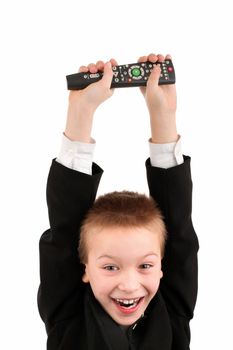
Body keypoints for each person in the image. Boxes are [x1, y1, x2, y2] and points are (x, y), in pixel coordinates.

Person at [38, 53, 199, 350]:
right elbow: (65, 229)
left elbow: (178, 232)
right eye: (110, 267)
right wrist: (81, 110)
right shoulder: (69, 318)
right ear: (84, 269)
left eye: (145, 266)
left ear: (164, 266)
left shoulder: (171, 313)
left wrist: (163, 114)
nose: (128, 284)